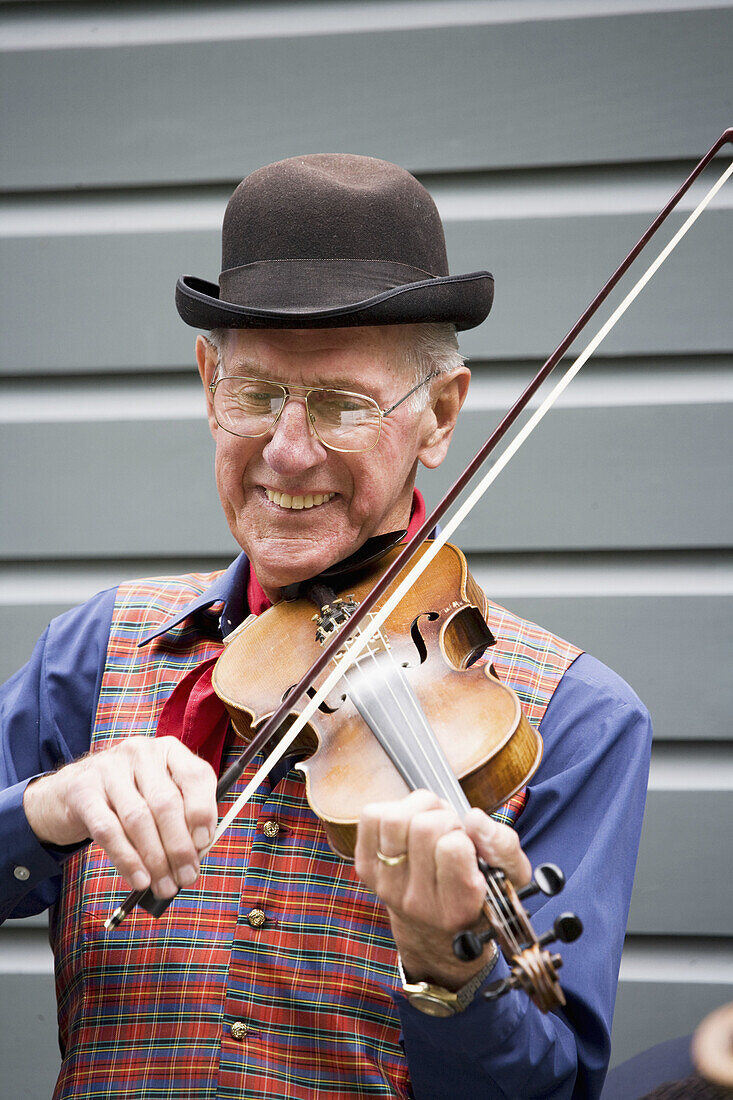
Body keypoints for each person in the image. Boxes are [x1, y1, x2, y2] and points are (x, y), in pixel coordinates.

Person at [0, 154, 651, 1099]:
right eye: (256, 396)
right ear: (206, 381)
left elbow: (553, 1085)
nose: (287, 451)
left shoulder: (573, 717)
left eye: (342, 406)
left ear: (439, 415)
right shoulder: (95, 650)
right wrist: (45, 811)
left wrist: (448, 973)